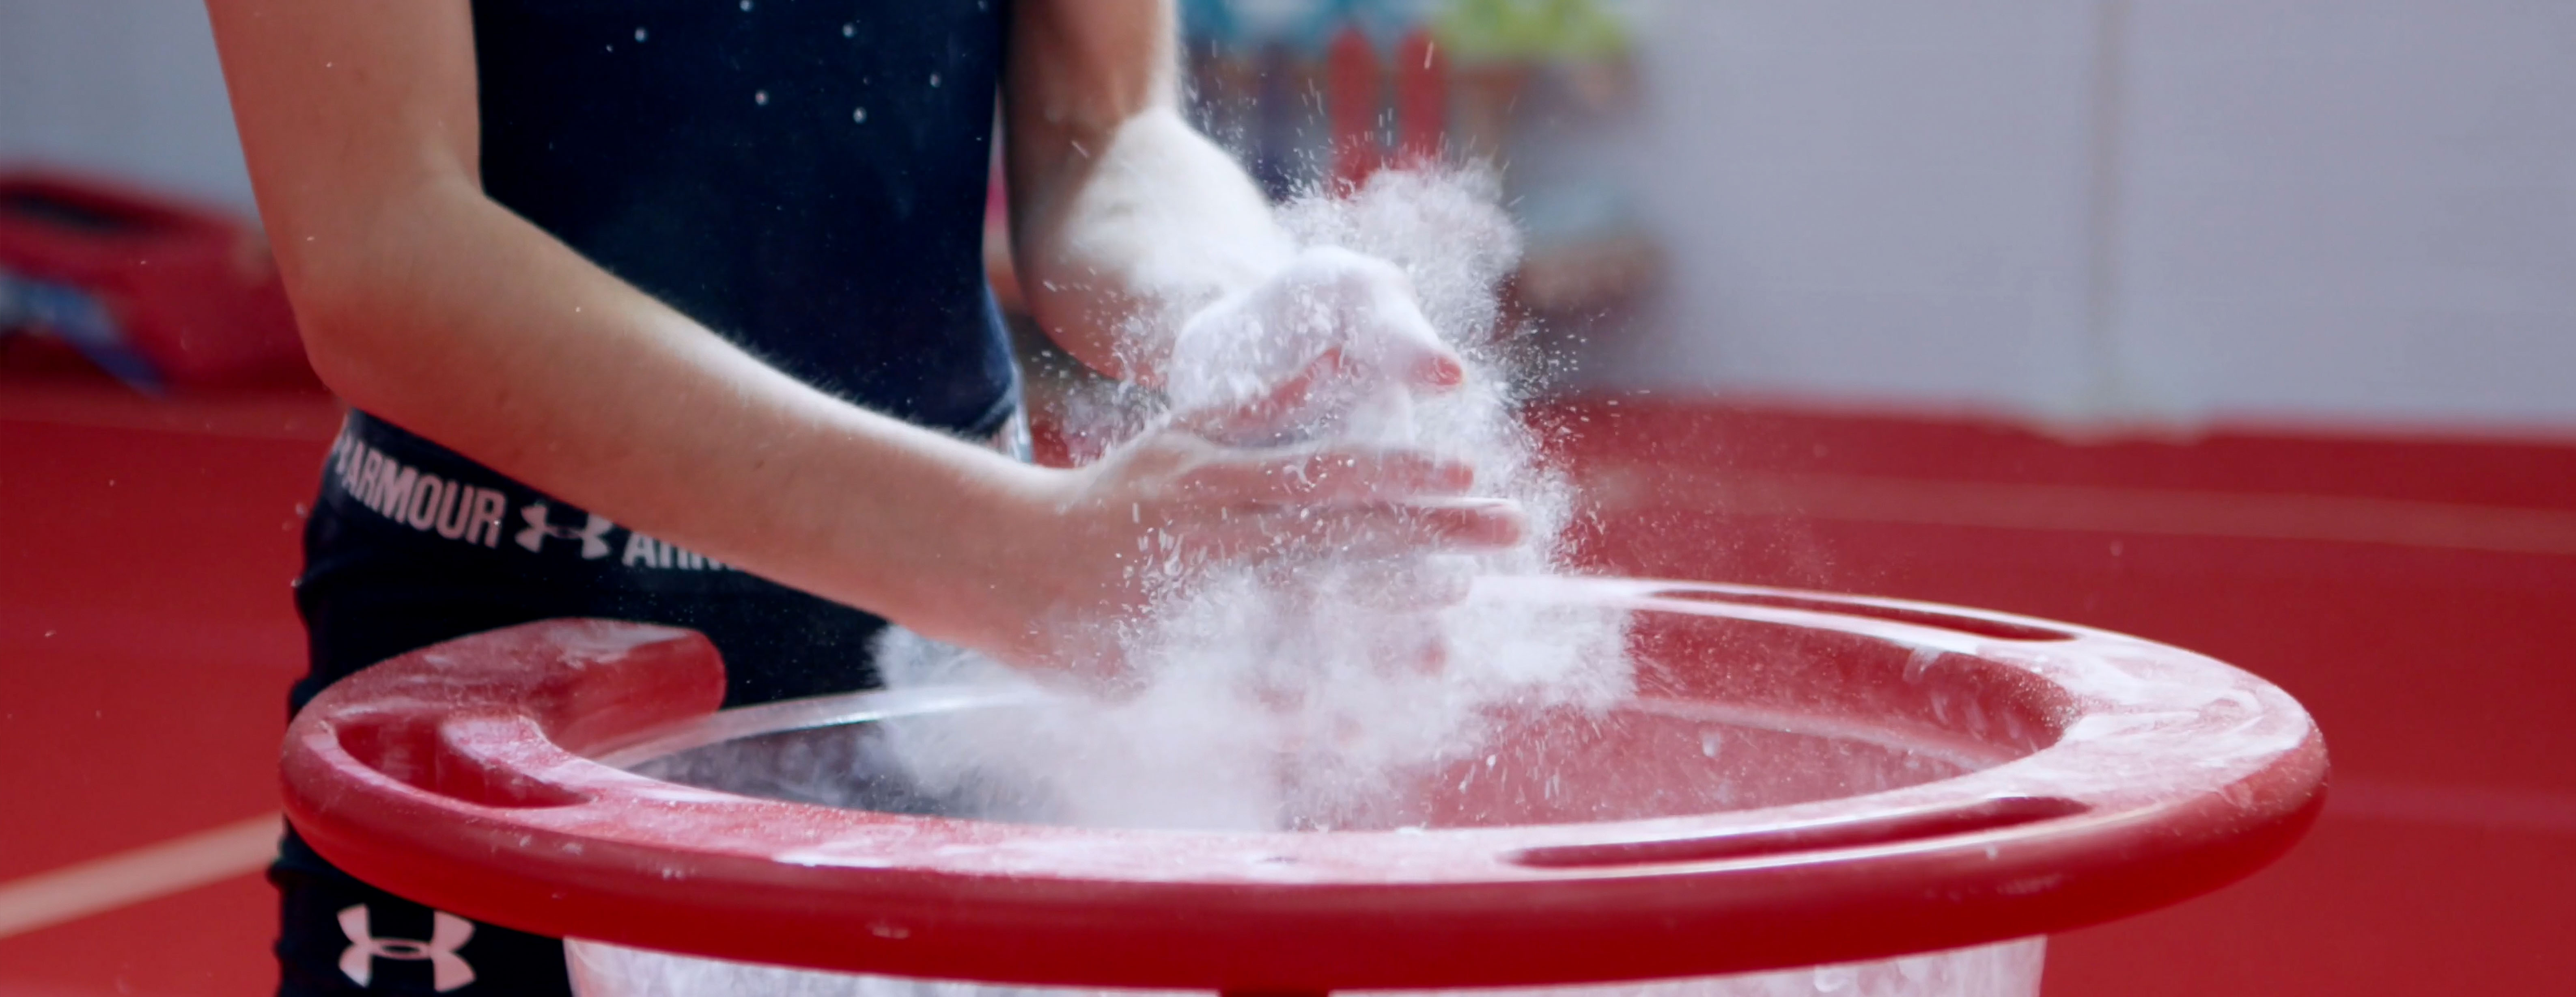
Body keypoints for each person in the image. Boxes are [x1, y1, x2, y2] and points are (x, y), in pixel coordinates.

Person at [206, 1, 1523, 994]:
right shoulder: (1002, 562)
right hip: (515, 629)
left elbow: (1105, 125)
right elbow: (383, 251)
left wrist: (1231, 309)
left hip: (946, 661)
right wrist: (1006, 553)